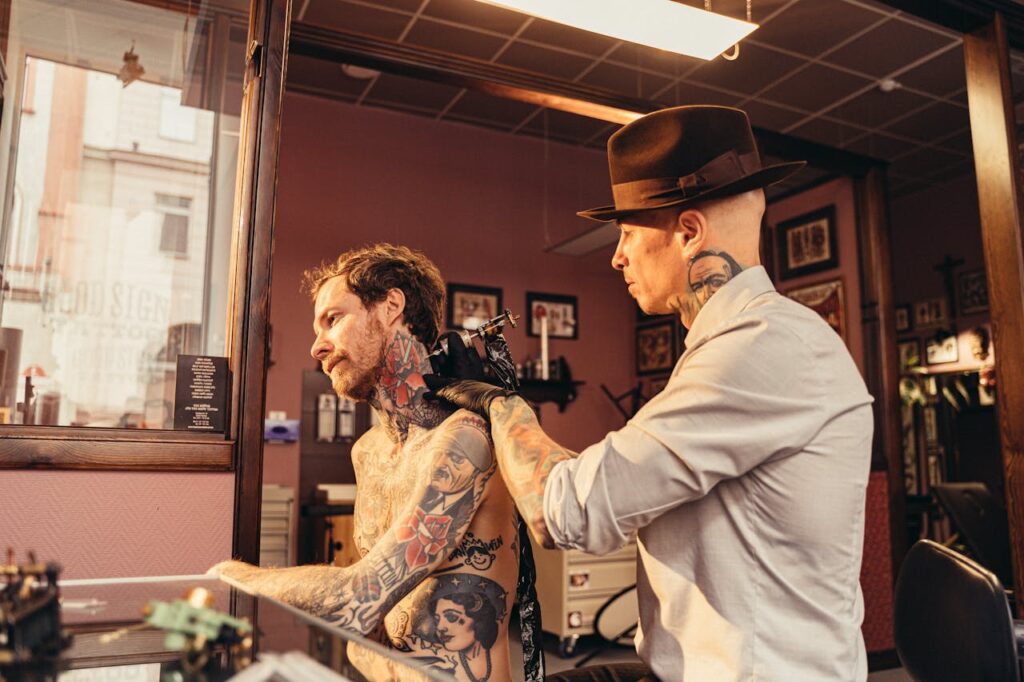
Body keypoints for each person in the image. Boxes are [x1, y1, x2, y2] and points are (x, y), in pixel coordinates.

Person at [428, 106, 875, 681]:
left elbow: (568, 512)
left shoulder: (761, 349)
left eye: (629, 233)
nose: (617, 255)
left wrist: (500, 403)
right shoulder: (731, 346)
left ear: (688, 233)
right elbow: (597, 482)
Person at [210, 243, 518, 682]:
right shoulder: (368, 450)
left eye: (332, 319)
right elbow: (370, 614)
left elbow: (357, 595)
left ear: (392, 307)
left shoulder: (464, 440)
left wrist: (229, 575)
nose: (317, 347)